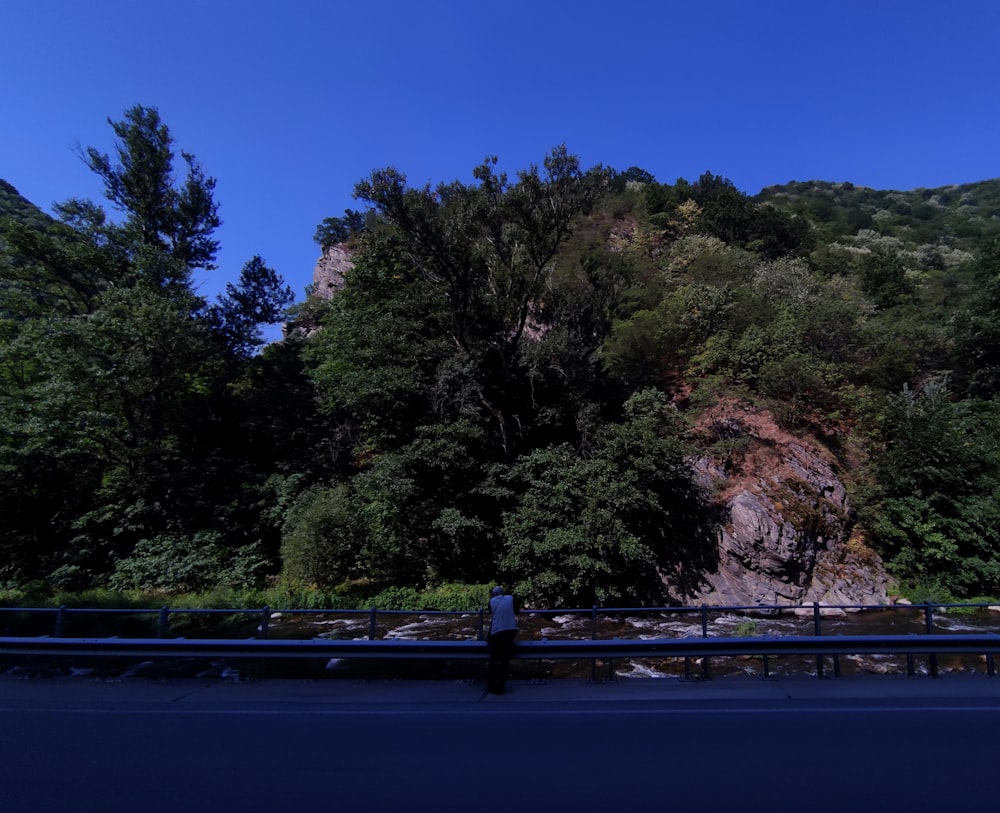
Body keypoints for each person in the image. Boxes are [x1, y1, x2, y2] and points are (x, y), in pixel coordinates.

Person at [486, 585, 518, 694]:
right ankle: (501, 686)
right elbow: (516, 609)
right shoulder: (510, 598)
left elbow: (491, 611)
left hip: (497, 633)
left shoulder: (492, 601)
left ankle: (492, 686)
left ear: (494, 594)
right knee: (505, 661)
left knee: (493, 661)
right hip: (510, 632)